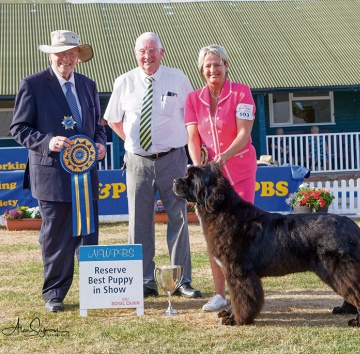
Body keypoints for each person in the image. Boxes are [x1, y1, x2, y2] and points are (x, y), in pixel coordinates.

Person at [10, 30, 107, 312]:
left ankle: (95, 290)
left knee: (88, 234)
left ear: (79, 56)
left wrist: (100, 145)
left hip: (86, 174)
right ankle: (54, 293)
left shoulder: (89, 85)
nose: (66, 58)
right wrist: (46, 142)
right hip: (51, 175)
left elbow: (97, 126)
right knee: (55, 238)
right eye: (61, 53)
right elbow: (18, 128)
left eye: (72, 52)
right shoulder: (33, 84)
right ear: (51, 55)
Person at [103, 32, 201, 299]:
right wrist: (134, 143)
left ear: (162, 51)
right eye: (142, 51)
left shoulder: (178, 78)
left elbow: (191, 116)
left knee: (179, 218)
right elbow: (113, 120)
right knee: (138, 222)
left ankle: (181, 280)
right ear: (136, 54)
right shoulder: (124, 81)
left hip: (173, 158)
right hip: (137, 162)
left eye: (151, 50)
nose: (147, 56)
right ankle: (144, 281)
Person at [185, 44, 257, 311]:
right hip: (210, 179)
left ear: (227, 66)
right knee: (213, 235)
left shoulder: (242, 92)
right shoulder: (193, 99)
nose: (212, 69)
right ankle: (219, 294)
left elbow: (244, 134)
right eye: (207, 66)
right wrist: (197, 167)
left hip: (239, 170)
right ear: (201, 70)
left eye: (217, 64)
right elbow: (192, 136)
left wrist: (225, 155)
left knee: (240, 234)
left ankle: (244, 293)